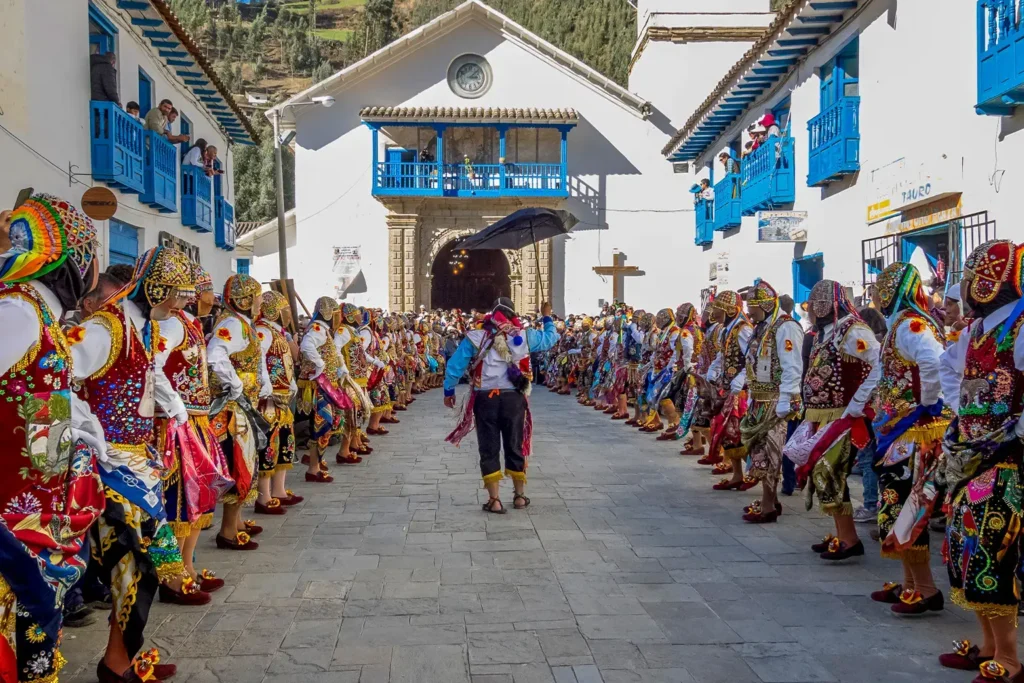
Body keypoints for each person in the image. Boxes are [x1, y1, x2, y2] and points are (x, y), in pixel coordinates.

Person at [72, 246, 199, 682]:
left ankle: (118, 658)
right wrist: (88, 430)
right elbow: (53, 372)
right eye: (177, 296)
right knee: (135, 566)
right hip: (106, 468)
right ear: (156, 289)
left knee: (145, 567)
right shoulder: (105, 327)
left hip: (138, 465)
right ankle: (117, 663)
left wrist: (175, 408)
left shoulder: (143, 327)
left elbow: (150, 373)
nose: (183, 305)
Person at [0, 195, 106, 683]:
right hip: (15, 509)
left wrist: (78, 435)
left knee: (39, 613)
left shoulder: (38, 315)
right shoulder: (19, 312)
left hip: (40, 503)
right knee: (24, 611)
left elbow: (42, 403)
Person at [937, 240, 1024, 680]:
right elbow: (948, 368)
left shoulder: (1022, 326)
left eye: (970, 280)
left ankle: (1009, 658)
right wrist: (963, 410)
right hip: (971, 457)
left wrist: (1014, 427)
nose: (962, 290)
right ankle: (989, 645)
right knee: (966, 548)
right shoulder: (975, 331)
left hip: (1008, 461)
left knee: (995, 549)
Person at [868, 262, 948, 616]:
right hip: (901, 428)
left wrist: (927, 403)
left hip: (914, 430)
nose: (878, 295)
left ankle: (926, 588)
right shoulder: (901, 324)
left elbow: (933, 362)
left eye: (884, 288)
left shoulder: (912, 326)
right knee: (896, 505)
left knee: (905, 507)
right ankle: (911, 583)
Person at [784, 280, 879, 561]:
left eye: (815, 303)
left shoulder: (854, 330)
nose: (810, 309)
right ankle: (843, 534)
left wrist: (858, 403)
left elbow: (877, 363)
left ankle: (850, 539)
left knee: (829, 471)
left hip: (844, 417)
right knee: (824, 474)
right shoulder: (825, 331)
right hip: (822, 416)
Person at [444, 298, 559, 513]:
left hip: (485, 398)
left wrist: (449, 390)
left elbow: (455, 365)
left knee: (488, 447)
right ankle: (519, 496)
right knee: (514, 443)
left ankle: (494, 500)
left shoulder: (477, 336)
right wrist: (546, 316)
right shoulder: (524, 335)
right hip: (513, 398)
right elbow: (551, 338)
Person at [153, 261, 225, 598]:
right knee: (181, 496)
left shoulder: (189, 322)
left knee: (198, 495)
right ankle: (172, 574)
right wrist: (173, 405)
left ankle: (188, 565)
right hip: (178, 421)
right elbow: (153, 364)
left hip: (196, 417)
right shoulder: (169, 325)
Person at [207, 274, 273, 550]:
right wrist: (235, 384)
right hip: (234, 409)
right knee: (239, 464)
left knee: (247, 463)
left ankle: (236, 523)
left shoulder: (243, 325)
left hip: (245, 404)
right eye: (257, 297)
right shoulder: (234, 324)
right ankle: (227, 531)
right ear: (245, 300)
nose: (260, 303)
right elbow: (215, 354)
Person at [739, 281, 803, 523]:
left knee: (772, 450)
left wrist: (786, 397)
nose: (749, 312)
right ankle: (770, 499)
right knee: (758, 450)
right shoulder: (762, 326)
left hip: (777, 400)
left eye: (752, 307)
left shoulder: (785, 327)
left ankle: (768, 506)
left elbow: (792, 365)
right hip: (759, 398)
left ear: (765, 305)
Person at [255, 291, 302, 512]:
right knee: (269, 444)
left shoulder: (277, 331)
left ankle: (279, 490)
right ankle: (263, 496)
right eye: (282, 309)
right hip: (269, 399)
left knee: (284, 441)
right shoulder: (263, 331)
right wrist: (266, 387)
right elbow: (259, 361)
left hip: (283, 395)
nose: (286, 314)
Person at [706, 290, 756, 490]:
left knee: (738, 432)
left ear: (729, 310)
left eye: (718, 310)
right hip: (727, 387)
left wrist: (740, 380)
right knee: (727, 432)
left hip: (740, 391)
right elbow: (723, 354)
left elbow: (751, 358)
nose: (714, 315)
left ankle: (755, 472)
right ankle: (737, 474)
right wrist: (714, 369)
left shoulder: (743, 330)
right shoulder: (726, 329)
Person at [297, 297, 345, 482]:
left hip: (325, 385)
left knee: (324, 424)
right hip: (319, 386)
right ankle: (313, 467)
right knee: (321, 424)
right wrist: (319, 364)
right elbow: (307, 345)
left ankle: (314, 462)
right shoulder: (318, 329)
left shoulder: (323, 330)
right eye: (334, 314)